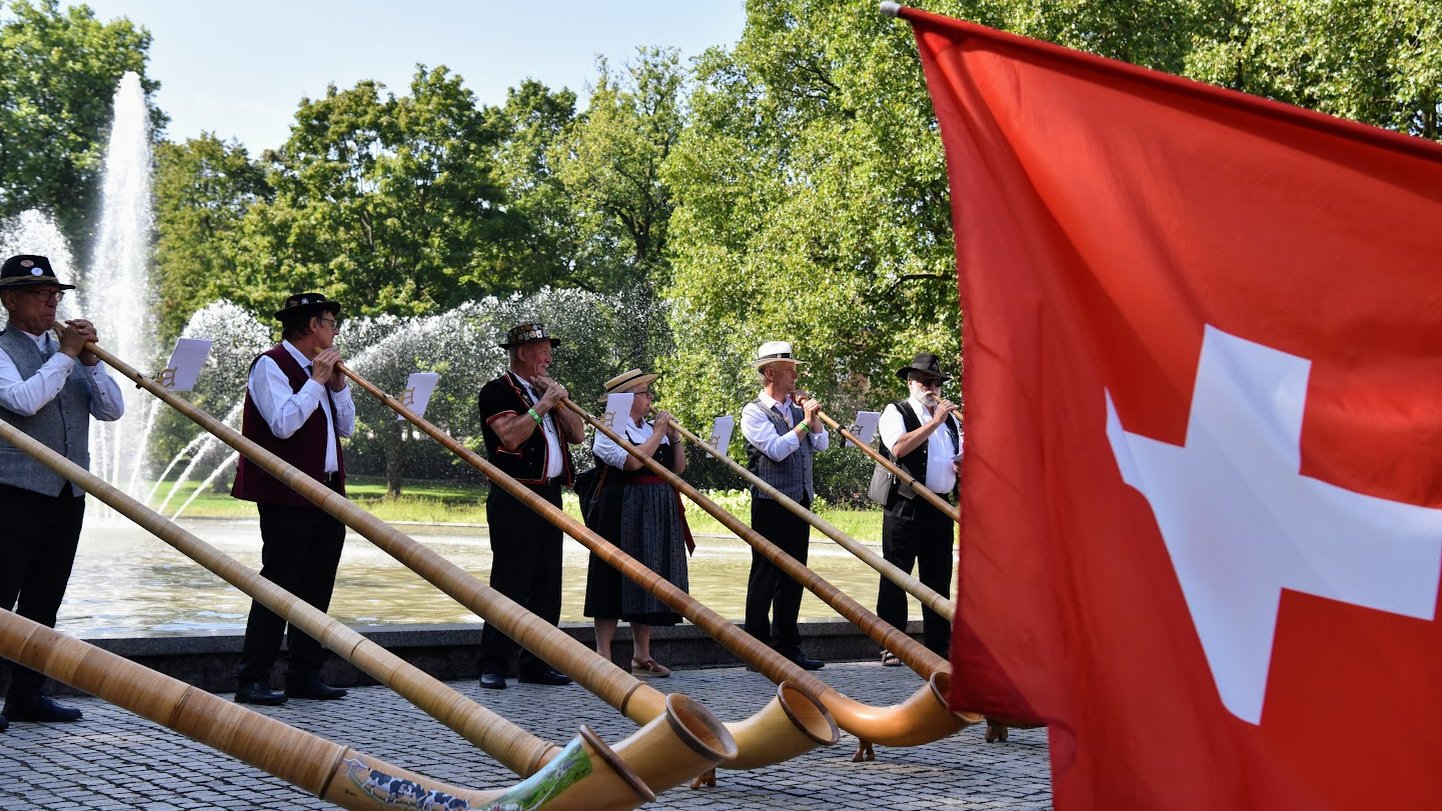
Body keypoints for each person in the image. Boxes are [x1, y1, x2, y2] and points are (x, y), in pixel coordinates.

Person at [0, 254, 124, 730]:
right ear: (10, 300)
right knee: (1, 599)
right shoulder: (5, 350)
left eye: (55, 295)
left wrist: (91, 364)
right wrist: (68, 355)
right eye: (39, 294)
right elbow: (23, 402)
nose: (51, 303)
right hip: (13, 493)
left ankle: (27, 696)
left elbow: (111, 411)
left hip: (67, 494)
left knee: (44, 600)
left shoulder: (67, 352)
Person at [230, 292, 355, 706]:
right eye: (331, 323)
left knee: (318, 585)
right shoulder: (270, 365)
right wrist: (316, 382)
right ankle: (252, 677)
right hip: (286, 492)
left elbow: (347, 427)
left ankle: (305, 674)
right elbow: (283, 424)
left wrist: (336, 387)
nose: (336, 331)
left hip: (328, 489)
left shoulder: (320, 370)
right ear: (313, 326)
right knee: (279, 583)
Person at [475, 321, 585, 690]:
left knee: (547, 581)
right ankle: (493, 663)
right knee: (510, 580)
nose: (548, 356)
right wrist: (543, 405)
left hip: (550, 494)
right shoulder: (496, 391)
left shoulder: (546, 391)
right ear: (522, 352)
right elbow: (510, 437)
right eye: (542, 349)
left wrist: (559, 400)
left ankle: (536, 662)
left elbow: (578, 435)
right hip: (515, 495)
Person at [583, 369, 693, 677]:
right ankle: (602, 654)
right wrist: (659, 435)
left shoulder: (647, 427)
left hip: (655, 506)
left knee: (647, 578)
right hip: (621, 508)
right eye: (645, 393)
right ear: (628, 398)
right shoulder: (608, 426)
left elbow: (677, 468)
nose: (650, 399)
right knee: (610, 577)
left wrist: (674, 438)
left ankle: (641, 655)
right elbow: (631, 462)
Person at [740, 340, 829, 670]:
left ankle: (788, 646)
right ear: (769, 374)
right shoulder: (753, 412)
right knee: (765, 574)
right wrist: (805, 421)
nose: (795, 375)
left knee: (795, 575)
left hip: (800, 500)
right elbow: (777, 449)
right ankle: (756, 649)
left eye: (794, 370)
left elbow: (821, 445)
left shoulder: (795, 409)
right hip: (771, 502)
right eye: (789, 370)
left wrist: (812, 419)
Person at [875, 352, 962, 665]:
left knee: (937, 577)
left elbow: (956, 457)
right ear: (911, 382)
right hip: (906, 505)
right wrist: (935, 421)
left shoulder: (950, 419)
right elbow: (898, 447)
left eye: (936, 382)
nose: (932, 387)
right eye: (926, 381)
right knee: (897, 575)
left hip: (940, 507)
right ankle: (891, 644)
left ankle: (939, 645)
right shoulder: (895, 411)